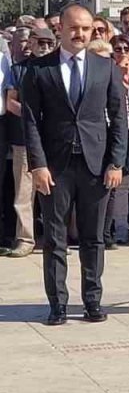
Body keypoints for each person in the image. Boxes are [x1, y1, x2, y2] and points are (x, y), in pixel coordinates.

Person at [22, 5, 129, 325]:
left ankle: (92, 301)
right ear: (61, 30)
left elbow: (119, 119)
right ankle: (57, 304)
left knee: (93, 237)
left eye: (86, 28)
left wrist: (116, 162)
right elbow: (31, 121)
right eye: (74, 28)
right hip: (55, 168)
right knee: (55, 239)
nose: (80, 34)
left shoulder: (105, 67)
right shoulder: (40, 69)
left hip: (97, 166)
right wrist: (38, 165)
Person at [1, 29, 53, 259]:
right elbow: (11, 103)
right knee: (24, 191)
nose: (43, 46)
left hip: (54, 140)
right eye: (39, 42)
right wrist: (35, 117)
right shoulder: (18, 69)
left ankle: (55, 238)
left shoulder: (60, 68)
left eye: (48, 42)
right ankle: (24, 239)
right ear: (30, 43)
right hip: (24, 138)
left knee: (56, 192)